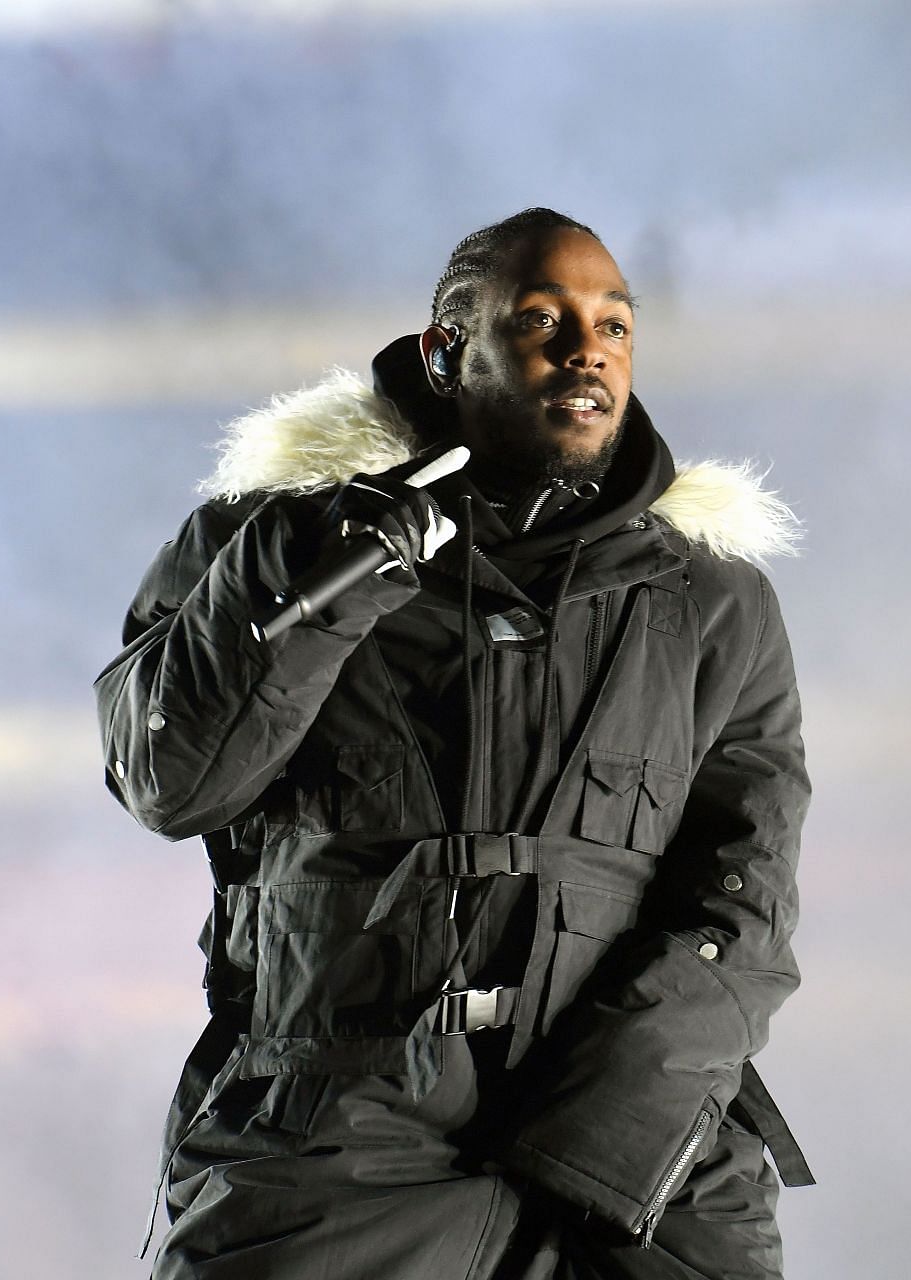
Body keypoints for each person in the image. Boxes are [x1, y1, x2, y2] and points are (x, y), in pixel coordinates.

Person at [95, 208, 814, 1280]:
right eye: (541, 320)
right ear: (447, 352)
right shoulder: (273, 541)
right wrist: (314, 575)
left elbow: (744, 898)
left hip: (632, 1141)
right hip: (339, 1131)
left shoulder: (711, 601)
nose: (588, 352)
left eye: (614, 327)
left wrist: (619, 1121)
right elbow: (171, 780)